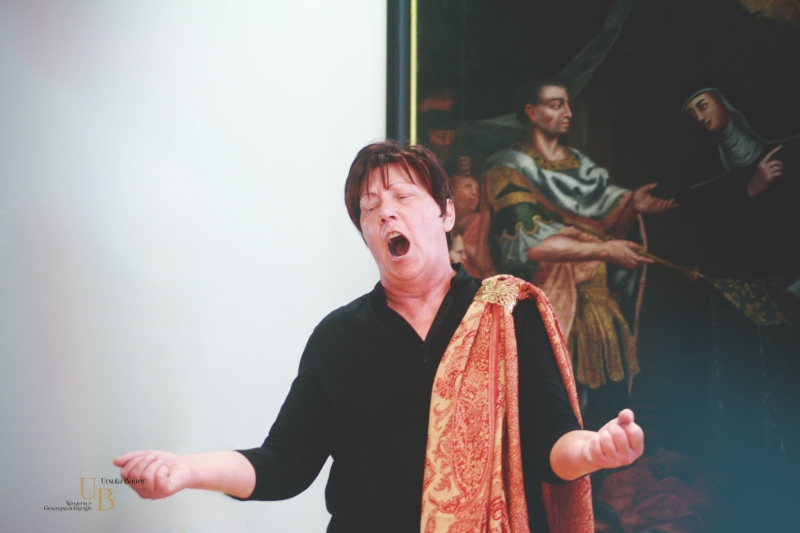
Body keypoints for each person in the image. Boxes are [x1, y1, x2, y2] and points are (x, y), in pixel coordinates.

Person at [114, 141, 644, 532]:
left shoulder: (507, 313)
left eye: (403, 196)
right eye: (369, 209)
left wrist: (596, 449)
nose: (385, 211)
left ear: (446, 213)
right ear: (367, 234)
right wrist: (186, 469)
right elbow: (284, 464)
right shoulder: (339, 337)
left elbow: (552, 444)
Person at [482, 78, 676, 431]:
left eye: (568, 104)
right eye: (556, 105)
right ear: (532, 112)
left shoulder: (582, 167)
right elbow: (528, 245)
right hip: (547, 311)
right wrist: (604, 249)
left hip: (598, 308)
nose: (568, 112)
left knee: (605, 406)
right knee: (558, 409)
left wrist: (632, 205)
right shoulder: (507, 169)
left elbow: (609, 225)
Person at [681, 88, 800, 278]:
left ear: (723, 102)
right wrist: (750, 190)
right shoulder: (704, 189)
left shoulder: (788, 150)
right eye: (692, 115)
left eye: (703, 106)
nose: (700, 118)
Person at [449, 155, 497, 279]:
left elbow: (483, 262)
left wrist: (461, 244)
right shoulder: (444, 223)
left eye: (476, 189)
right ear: (452, 193)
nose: (474, 192)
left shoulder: (480, 222)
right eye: (468, 187)